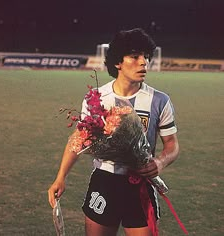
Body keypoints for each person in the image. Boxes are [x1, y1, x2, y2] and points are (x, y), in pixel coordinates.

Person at [48, 28, 179, 236]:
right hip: (105, 182)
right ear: (118, 62)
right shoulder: (97, 98)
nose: (143, 62)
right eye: (135, 57)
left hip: (140, 186)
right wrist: (60, 176)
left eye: (146, 57)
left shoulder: (160, 100)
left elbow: (172, 144)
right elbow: (79, 139)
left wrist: (160, 162)